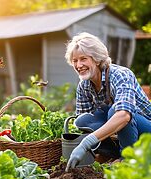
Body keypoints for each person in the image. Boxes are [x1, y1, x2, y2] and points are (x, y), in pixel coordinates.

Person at [64, 32, 151, 171]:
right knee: (82, 120)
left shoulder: (120, 74)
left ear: (97, 59)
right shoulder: (84, 85)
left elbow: (124, 115)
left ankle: (129, 159)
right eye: (75, 60)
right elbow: (85, 124)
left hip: (146, 130)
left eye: (83, 59)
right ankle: (111, 155)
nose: (78, 65)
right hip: (125, 132)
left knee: (116, 110)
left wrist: (86, 143)